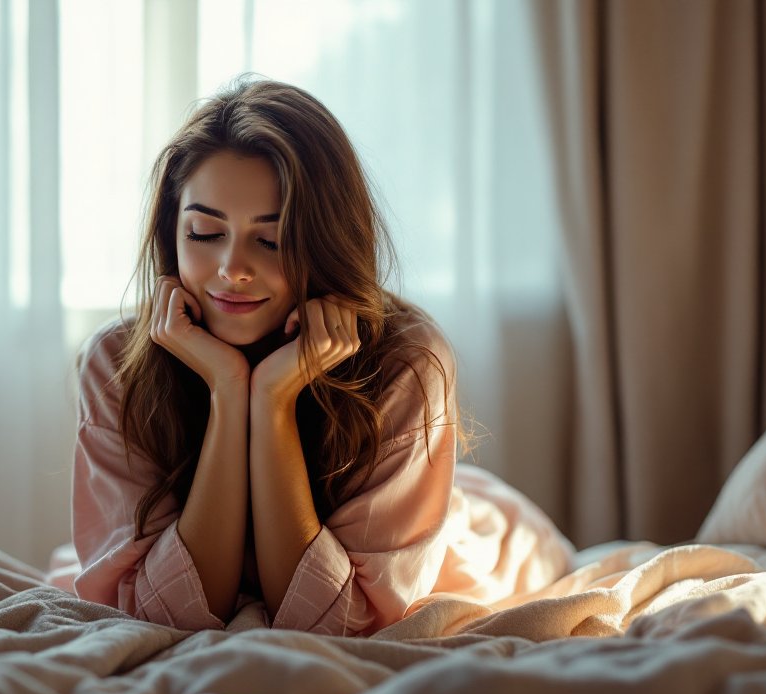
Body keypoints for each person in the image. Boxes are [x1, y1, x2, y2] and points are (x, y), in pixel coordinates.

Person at [61, 77, 572, 636]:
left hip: (458, 531)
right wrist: (230, 391)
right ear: (172, 231)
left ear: (326, 241)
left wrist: (274, 400)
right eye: (204, 233)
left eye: (272, 240)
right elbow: (164, 614)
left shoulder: (407, 360)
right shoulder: (116, 362)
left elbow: (332, 620)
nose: (232, 267)